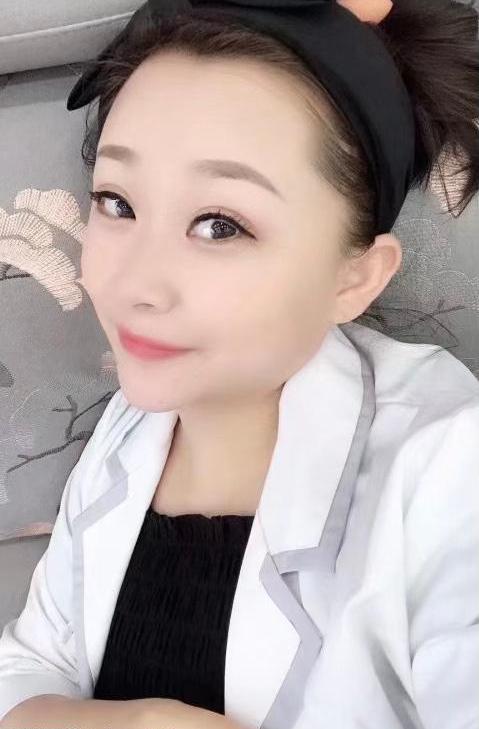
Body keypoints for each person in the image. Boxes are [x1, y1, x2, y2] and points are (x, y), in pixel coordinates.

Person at [0, 0, 478, 727]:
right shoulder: (127, 430)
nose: (135, 285)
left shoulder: (449, 462)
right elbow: (29, 664)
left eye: (219, 225)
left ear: (354, 277)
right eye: (117, 202)